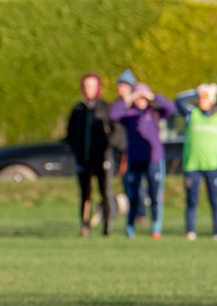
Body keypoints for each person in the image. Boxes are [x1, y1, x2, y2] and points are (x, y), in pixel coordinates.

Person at [110, 82, 175, 239]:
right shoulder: (130, 115)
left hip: (154, 159)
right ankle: (130, 226)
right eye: (138, 97)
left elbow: (171, 108)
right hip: (135, 159)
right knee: (133, 195)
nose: (141, 100)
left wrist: (153, 96)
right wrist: (128, 98)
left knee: (155, 195)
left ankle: (156, 227)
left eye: (143, 97)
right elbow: (113, 115)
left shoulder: (154, 113)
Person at [176, 83, 217, 240]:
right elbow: (179, 100)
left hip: (213, 166)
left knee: (215, 201)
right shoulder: (192, 114)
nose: (201, 101)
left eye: (204, 98)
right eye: (200, 98)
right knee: (192, 201)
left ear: (212, 100)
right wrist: (196, 92)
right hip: (192, 165)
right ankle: (190, 231)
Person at [66, 72, 113, 237]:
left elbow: (114, 132)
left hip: (102, 158)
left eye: (92, 86)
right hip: (83, 159)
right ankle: (84, 226)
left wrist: (108, 148)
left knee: (105, 192)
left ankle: (107, 226)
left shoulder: (105, 108)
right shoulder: (78, 109)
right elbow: (70, 134)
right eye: (86, 86)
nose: (88, 90)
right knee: (85, 194)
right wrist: (75, 149)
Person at [113, 69, 138, 222]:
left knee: (136, 184)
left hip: (134, 152)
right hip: (121, 152)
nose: (121, 89)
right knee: (127, 183)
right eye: (120, 86)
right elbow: (113, 115)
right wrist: (124, 101)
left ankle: (139, 213)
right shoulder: (119, 105)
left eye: (124, 86)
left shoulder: (136, 106)